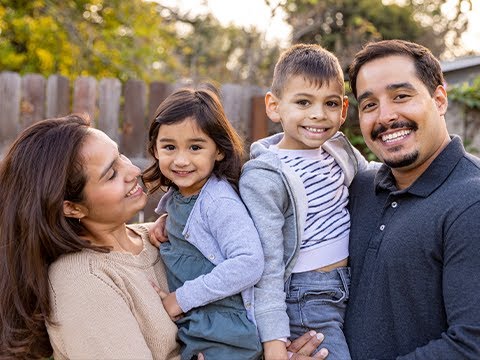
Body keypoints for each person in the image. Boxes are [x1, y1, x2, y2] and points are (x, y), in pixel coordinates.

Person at [0, 114, 180, 359]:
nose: (134, 170)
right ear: (72, 207)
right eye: (111, 174)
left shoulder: (161, 235)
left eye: (120, 156)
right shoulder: (82, 280)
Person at [239, 44, 376, 360]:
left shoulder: (338, 151)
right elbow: (268, 263)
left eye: (329, 103)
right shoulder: (266, 175)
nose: (318, 114)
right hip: (306, 297)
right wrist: (273, 342)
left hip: (348, 285)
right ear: (274, 106)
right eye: (303, 102)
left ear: (343, 110)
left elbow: (375, 178)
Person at [344, 39, 480, 359]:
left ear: (440, 99)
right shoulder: (357, 188)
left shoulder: (471, 202)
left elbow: (471, 345)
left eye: (401, 96)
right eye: (369, 105)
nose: (386, 116)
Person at [142, 85, 264, 360]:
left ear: (219, 151)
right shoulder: (180, 196)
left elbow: (249, 263)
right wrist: (166, 220)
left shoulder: (219, 202)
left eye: (195, 147)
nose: (181, 160)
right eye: (169, 147)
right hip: (197, 326)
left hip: (223, 333)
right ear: (155, 149)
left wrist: (180, 299)